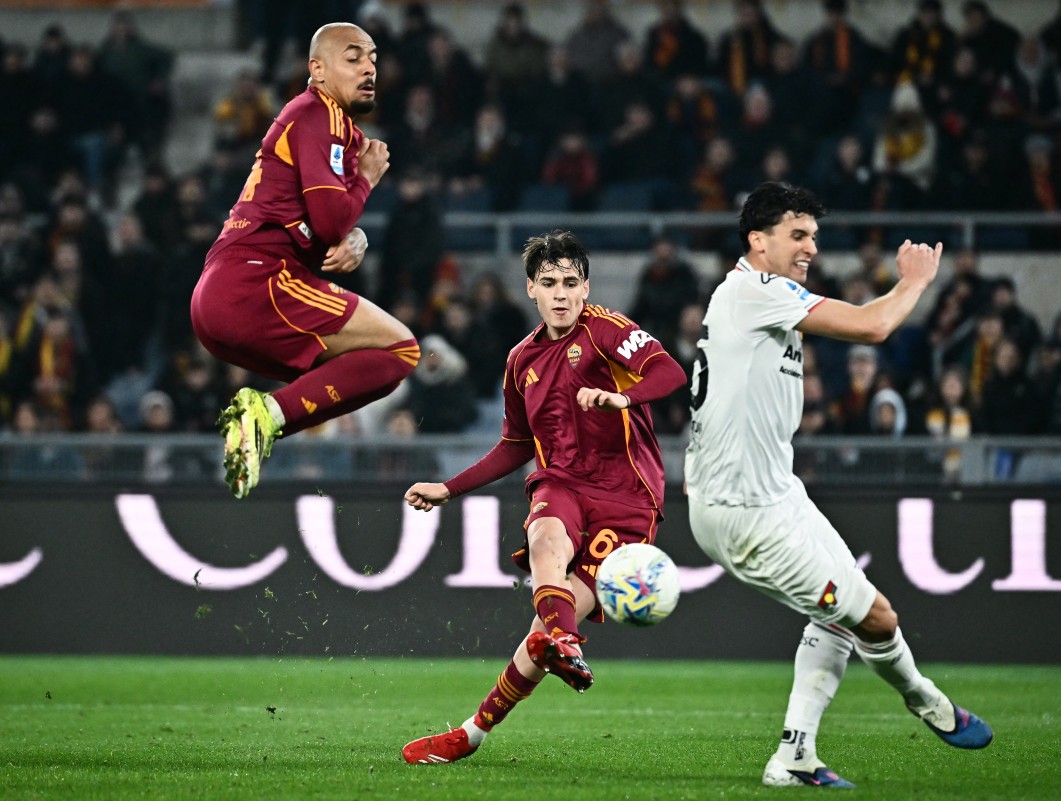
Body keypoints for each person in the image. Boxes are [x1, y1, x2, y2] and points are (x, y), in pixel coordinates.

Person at [685, 183, 992, 789]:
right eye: (797, 235)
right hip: (741, 510)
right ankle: (924, 698)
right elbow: (874, 326)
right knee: (875, 617)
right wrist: (915, 283)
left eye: (814, 237)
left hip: (777, 493)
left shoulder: (760, 297)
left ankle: (795, 756)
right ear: (758, 240)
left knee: (843, 614)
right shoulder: (755, 290)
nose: (810, 248)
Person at [400, 230, 687, 765]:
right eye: (550, 282)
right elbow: (515, 445)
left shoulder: (606, 330)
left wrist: (621, 397)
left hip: (629, 496)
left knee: (546, 629)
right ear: (531, 288)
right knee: (545, 537)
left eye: (571, 283)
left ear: (586, 288)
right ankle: (566, 644)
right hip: (563, 480)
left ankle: (473, 732)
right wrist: (448, 488)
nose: (561, 293)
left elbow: (669, 371)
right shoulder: (520, 360)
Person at [191, 23, 421, 499]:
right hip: (257, 283)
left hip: (224, 295)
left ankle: (259, 428)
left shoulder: (332, 129)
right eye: (353, 58)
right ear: (317, 69)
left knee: (357, 367)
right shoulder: (320, 113)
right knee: (400, 349)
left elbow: (326, 224)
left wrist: (356, 237)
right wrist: (367, 181)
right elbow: (332, 220)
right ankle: (265, 418)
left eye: (373, 59)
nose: (369, 68)